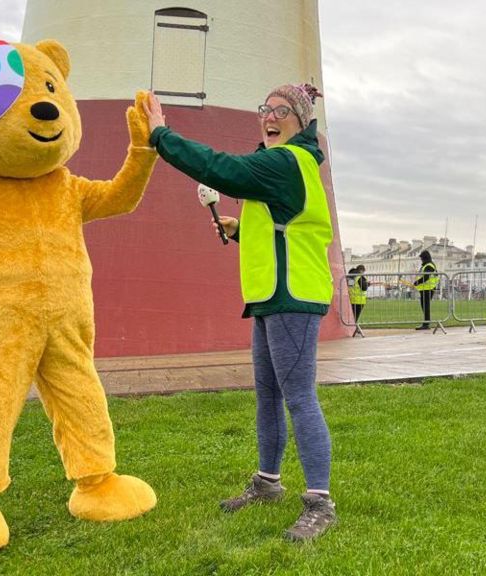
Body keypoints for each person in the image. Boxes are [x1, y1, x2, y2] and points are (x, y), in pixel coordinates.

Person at [143, 85, 337, 542]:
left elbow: (220, 169)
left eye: (281, 111)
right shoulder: (286, 163)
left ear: (301, 120)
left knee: (299, 398)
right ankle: (267, 484)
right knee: (268, 396)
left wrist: (160, 135)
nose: (269, 117)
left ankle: (320, 503)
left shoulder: (286, 161)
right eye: (265, 109)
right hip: (271, 295)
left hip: (292, 296)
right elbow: (281, 224)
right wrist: (240, 225)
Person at [413, 250, 439, 330]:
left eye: (421, 258)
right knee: (424, 306)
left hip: (428, 288)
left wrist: (417, 282)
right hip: (425, 288)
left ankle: (426, 324)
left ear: (424, 257)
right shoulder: (426, 265)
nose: (421, 259)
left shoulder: (429, 265)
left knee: (425, 306)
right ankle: (426, 322)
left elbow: (426, 277)